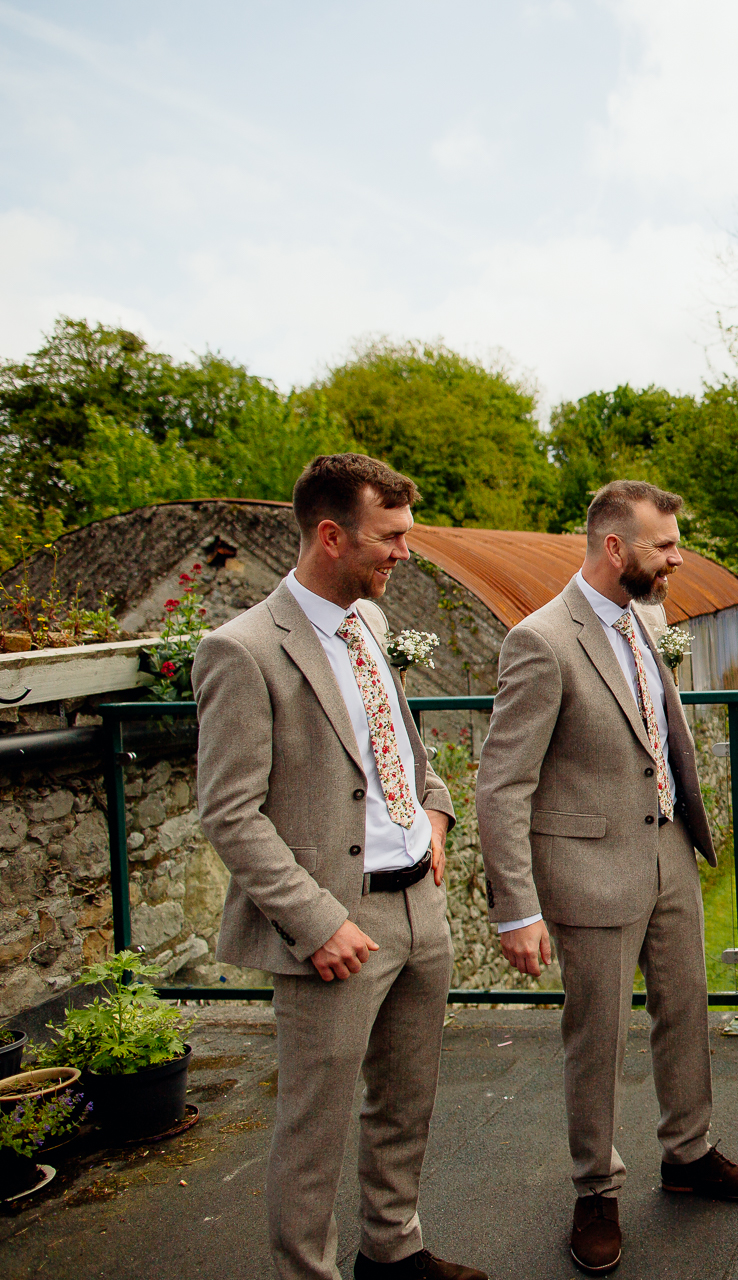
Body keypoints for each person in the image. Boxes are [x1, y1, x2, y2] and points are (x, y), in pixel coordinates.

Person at [192, 453, 484, 1280]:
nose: (404, 554)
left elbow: (401, 748)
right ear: (331, 535)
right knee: (314, 1128)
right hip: (334, 923)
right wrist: (318, 922)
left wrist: (433, 813)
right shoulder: (240, 651)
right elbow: (229, 812)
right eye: (390, 538)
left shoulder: (372, 626)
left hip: (418, 907)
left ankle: (391, 1250)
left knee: (405, 1104)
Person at [475, 480, 738, 1275]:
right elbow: (502, 784)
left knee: (687, 1011)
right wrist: (516, 909)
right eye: (665, 547)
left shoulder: (645, 617)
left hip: (668, 850)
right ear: (615, 548)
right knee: (598, 1037)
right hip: (586, 866)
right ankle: (596, 1193)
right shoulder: (540, 641)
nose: (678, 559)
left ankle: (688, 1154)